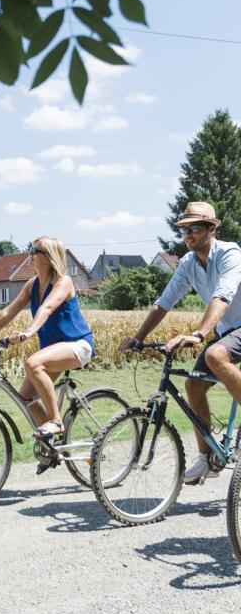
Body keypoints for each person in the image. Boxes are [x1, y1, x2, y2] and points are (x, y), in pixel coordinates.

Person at [119, 201, 241, 485]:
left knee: (215, 355)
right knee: (193, 385)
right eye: (184, 230)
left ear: (212, 229)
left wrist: (198, 334)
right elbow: (163, 304)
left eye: (194, 228)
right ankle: (208, 456)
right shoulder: (188, 264)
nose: (188, 235)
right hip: (227, 329)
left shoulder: (229, 253)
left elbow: (222, 296)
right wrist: (139, 337)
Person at [0, 235, 94, 473]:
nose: (29, 255)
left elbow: (47, 307)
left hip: (78, 344)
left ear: (47, 257)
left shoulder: (64, 282)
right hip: (53, 349)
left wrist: (29, 331)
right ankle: (50, 446)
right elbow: (8, 311)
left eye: (34, 251)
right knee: (25, 397)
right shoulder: (32, 284)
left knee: (33, 363)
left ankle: (56, 422)